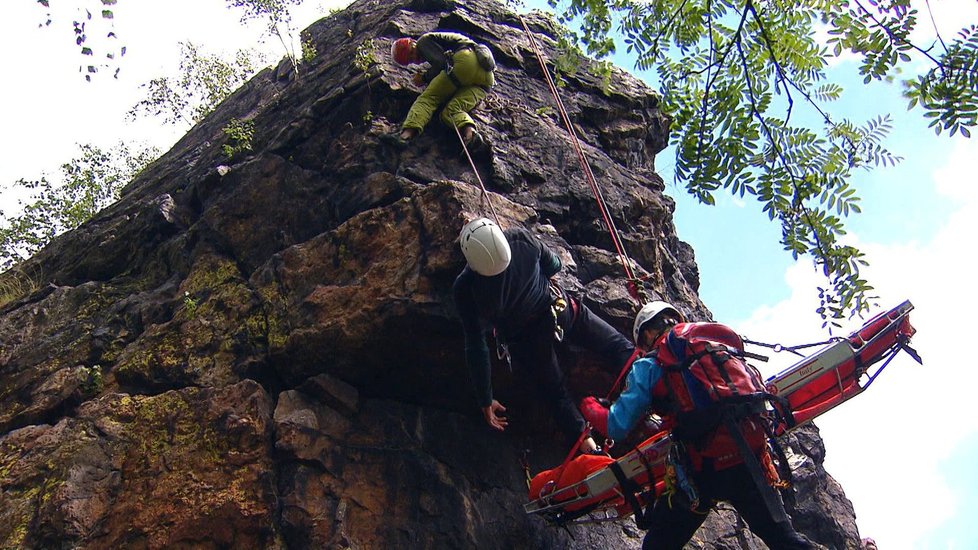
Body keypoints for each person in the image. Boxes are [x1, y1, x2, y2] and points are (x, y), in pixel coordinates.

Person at [579, 301, 815, 550]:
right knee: (785, 540)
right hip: (749, 458)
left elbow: (616, 425)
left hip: (704, 471)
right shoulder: (714, 347)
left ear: (648, 333)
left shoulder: (650, 363)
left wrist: (589, 405)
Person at [453, 218, 635, 453]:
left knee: (557, 395)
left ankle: (590, 449)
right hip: (561, 312)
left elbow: (476, 345)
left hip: (528, 342)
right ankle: (651, 393)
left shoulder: (465, 288)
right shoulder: (520, 239)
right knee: (617, 345)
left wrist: (485, 399)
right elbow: (555, 265)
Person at [388, 32, 495, 148]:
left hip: (464, 61)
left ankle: (405, 136)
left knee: (427, 99)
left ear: (413, 42)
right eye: (411, 60)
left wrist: (424, 78)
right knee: (451, 111)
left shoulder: (423, 41)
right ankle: (471, 135)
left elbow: (441, 63)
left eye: (412, 52)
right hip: (485, 79)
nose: (415, 58)